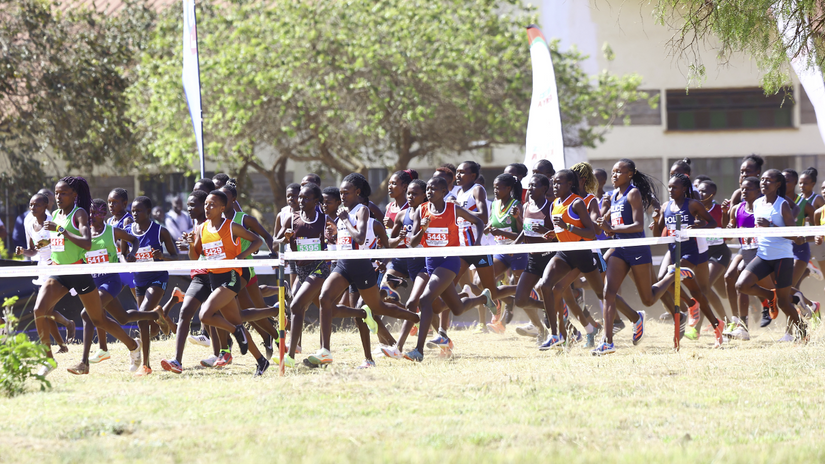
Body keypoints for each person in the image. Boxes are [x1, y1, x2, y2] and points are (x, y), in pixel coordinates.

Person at [31, 176, 141, 377]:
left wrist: (61, 230)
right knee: (39, 309)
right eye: (56, 193)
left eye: (63, 193)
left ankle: (133, 346)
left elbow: (86, 243)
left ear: (74, 195)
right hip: (58, 272)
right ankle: (48, 359)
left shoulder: (79, 213)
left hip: (79, 272)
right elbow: (57, 241)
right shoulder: (55, 214)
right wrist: (44, 245)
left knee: (98, 319)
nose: (58, 196)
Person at [309, 173, 420, 367]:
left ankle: (415, 317)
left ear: (357, 192)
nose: (342, 196)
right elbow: (345, 239)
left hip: (361, 266)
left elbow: (360, 238)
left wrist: (343, 221)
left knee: (378, 308)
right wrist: (335, 234)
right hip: (343, 264)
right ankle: (330, 352)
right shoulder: (344, 212)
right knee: (324, 299)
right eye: (341, 193)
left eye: (346, 192)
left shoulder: (362, 211)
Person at [595, 159, 693, 356]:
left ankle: (672, 275)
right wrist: (604, 215)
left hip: (637, 249)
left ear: (630, 174)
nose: (614, 175)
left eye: (618, 172)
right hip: (619, 249)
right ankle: (608, 342)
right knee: (608, 292)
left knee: (648, 299)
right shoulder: (612, 195)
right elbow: (606, 225)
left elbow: (639, 225)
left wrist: (612, 229)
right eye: (612, 172)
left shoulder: (633, 193)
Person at [67, 198, 162, 375]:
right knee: (123, 318)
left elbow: (135, 240)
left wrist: (131, 254)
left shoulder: (112, 231)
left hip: (111, 280)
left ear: (104, 215)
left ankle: (84, 362)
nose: (93, 216)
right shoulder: (84, 234)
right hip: (92, 281)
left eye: (98, 212)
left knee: (87, 314)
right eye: (91, 212)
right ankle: (143, 332)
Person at [402, 176, 488, 361]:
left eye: (434, 189)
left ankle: (418, 351)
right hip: (431, 262)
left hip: (449, 261)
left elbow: (479, 222)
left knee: (425, 300)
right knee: (455, 308)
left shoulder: (453, 209)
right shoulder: (421, 211)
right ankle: (482, 298)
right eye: (428, 189)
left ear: (443, 192)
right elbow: (413, 243)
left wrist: (477, 242)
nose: (429, 192)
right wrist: (422, 229)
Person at [187, 190, 271, 375]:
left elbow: (257, 240)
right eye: (206, 204)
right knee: (237, 323)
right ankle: (261, 361)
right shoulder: (201, 228)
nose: (207, 208)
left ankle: (236, 331)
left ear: (222, 208)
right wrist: (192, 244)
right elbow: (195, 257)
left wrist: (241, 256)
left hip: (231, 278)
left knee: (205, 315)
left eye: (212, 205)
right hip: (214, 279)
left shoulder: (231, 227)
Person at [735, 169, 808, 342]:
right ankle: (771, 296)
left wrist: (771, 227)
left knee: (784, 303)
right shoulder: (758, 203)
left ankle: (802, 331)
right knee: (741, 285)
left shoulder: (782, 204)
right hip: (763, 255)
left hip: (782, 257)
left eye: (769, 180)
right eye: (763, 180)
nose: (764, 183)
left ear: (777, 185)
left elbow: (793, 235)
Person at [653, 173, 724, 348]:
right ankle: (715, 324)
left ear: (684, 189)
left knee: (669, 277)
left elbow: (713, 223)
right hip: (674, 251)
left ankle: (692, 306)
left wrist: (700, 225)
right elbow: (658, 233)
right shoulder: (665, 207)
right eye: (669, 187)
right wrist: (655, 221)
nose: (670, 190)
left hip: (690, 254)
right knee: (695, 292)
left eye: (674, 187)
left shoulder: (693, 204)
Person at [277, 183, 329, 367]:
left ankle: (290, 355)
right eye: (300, 197)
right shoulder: (291, 219)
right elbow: (276, 243)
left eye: (306, 198)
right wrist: (285, 239)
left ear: (316, 201)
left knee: (296, 304)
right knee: (299, 308)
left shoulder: (323, 219)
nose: (300, 201)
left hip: (320, 267)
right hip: (300, 269)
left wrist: (332, 235)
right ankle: (361, 313)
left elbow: (334, 238)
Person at [130, 196, 180, 375]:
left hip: (157, 279)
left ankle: (146, 365)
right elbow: (122, 253)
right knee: (149, 328)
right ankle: (160, 317)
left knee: (141, 317)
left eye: (139, 210)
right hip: (139, 281)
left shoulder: (160, 231)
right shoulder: (129, 231)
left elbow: (176, 256)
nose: (135, 213)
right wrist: (127, 258)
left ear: (148, 212)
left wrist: (163, 256)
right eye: (133, 210)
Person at [723, 177, 761, 340]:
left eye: (748, 189)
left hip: (761, 250)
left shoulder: (762, 208)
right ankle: (738, 322)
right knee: (730, 277)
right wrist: (730, 225)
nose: (744, 192)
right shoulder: (737, 209)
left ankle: (804, 303)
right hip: (745, 248)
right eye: (742, 189)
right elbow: (730, 232)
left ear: (758, 191)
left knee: (778, 289)